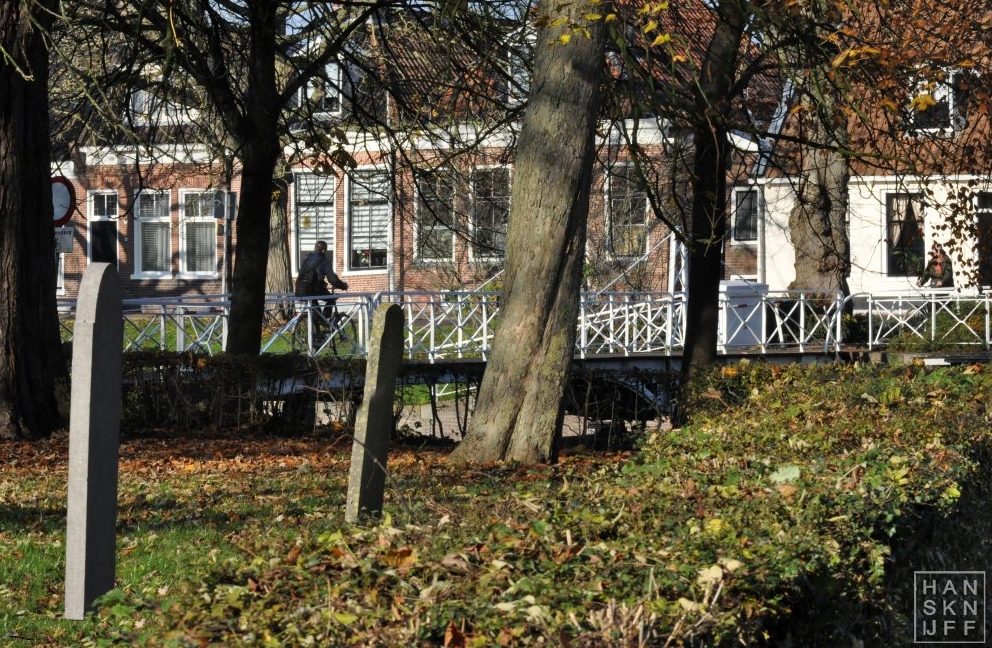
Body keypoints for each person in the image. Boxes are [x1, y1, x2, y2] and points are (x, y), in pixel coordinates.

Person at [301, 241, 348, 336]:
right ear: (323, 250)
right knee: (332, 298)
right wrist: (343, 286)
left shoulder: (306, 260)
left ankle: (316, 337)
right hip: (316, 289)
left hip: (302, 290)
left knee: (315, 312)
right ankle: (325, 321)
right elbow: (333, 279)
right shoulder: (324, 261)